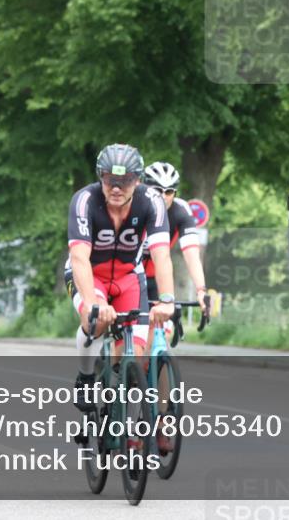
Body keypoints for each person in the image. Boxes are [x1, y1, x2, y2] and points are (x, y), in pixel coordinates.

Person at [64, 144, 175, 410]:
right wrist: (93, 304)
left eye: (124, 182)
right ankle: (86, 377)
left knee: (135, 355)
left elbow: (161, 256)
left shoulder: (152, 201)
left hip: (128, 278)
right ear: (100, 176)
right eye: (109, 180)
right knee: (95, 324)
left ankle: (120, 405)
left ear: (137, 180)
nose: (116, 188)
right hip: (91, 275)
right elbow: (79, 257)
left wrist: (168, 298)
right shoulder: (85, 200)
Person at [141, 161, 209, 311]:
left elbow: (192, 255)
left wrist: (201, 290)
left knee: (151, 324)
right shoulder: (132, 206)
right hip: (126, 274)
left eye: (169, 191)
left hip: (156, 276)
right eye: (158, 190)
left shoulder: (181, 211)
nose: (163, 196)